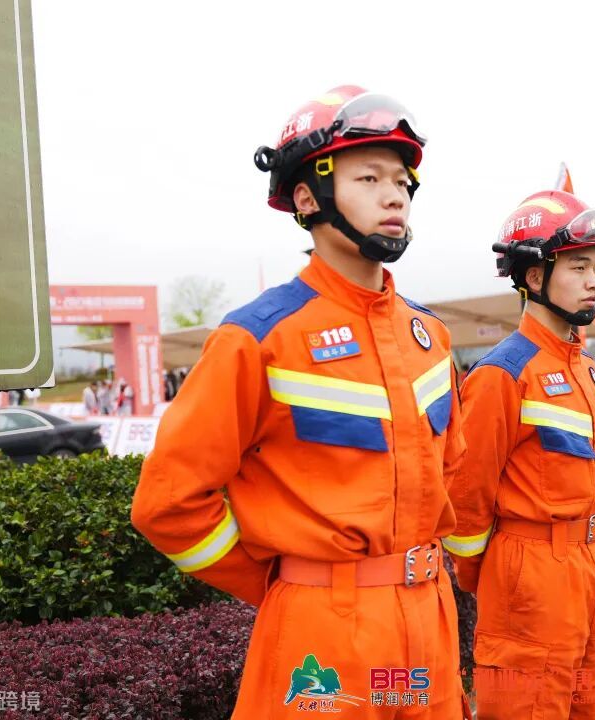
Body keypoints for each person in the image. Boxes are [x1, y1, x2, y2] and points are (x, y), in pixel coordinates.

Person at [131, 86, 470, 718]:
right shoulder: (258, 338)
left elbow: (450, 467)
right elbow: (169, 504)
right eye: (369, 178)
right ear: (308, 198)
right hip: (322, 630)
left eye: (402, 181)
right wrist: (281, 585)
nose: (395, 195)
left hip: (430, 617)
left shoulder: (429, 335)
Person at [444, 190, 595, 718]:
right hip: (532, 581)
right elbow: (466, 498)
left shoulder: (587, 369)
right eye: (578, 267)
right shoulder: (502, 375)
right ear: (534, 277)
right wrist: (500, 580)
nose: (594, 280)